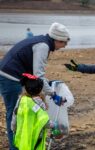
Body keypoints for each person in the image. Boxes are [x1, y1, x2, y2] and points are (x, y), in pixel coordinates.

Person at [0, 22, 70, 150]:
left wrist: (48, 86)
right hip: (10, 76)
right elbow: (39, 75)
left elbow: (36, 73)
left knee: (19, 111)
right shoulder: (43, 46)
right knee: (15, 113)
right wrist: (53, 94)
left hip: (11, 74)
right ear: (57, 39)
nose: (65, 46)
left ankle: (21, 143)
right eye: (65, 42)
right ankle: (15, 147)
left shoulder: (42, 41)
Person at [11, 73, 65, 150]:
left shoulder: (21, 100)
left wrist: (14, 128)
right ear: (40, 90)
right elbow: (44, 121)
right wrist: (54, 125)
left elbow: (15, 115)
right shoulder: (38, 104)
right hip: (35, 138)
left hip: (23, 136)